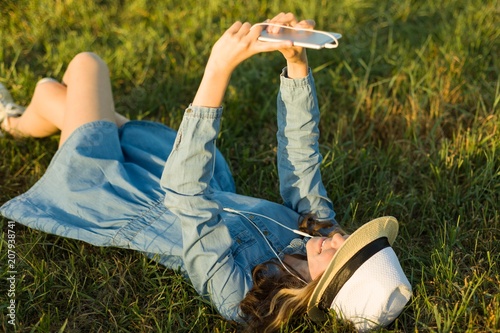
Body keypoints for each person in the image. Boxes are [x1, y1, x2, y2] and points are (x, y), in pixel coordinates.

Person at [0, 13, 411, 332]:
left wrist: (217, 68)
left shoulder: (241, 297)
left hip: (116, 192)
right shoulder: (316, 236)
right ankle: (17, 120)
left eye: (342, 250)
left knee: (87, 66)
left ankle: (13, 123)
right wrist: (297, 62)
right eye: (350, 236)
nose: (338, 235)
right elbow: (301, 159)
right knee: (57, 93)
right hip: (165, 169)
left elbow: (186, 197)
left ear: (326, 291)